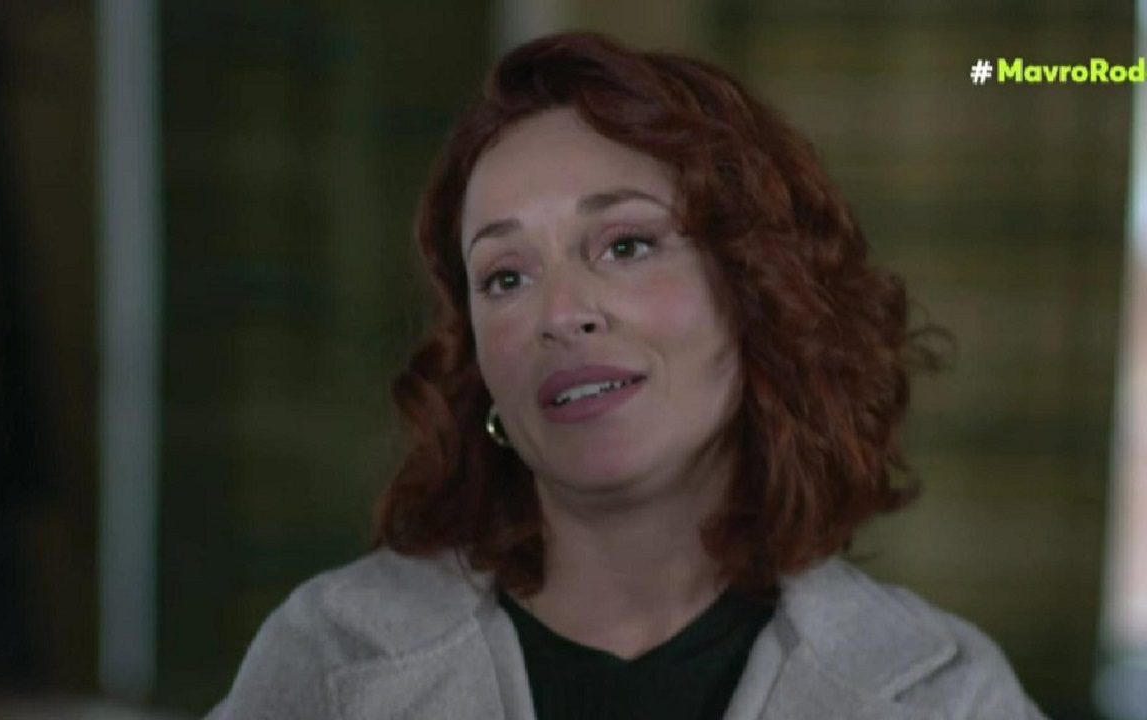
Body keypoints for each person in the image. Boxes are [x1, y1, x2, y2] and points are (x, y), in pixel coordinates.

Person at [209, 32, 1047, 719]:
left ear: (758, 290)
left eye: (627, 245)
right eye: (506, 275)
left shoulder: (945, 694)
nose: (560, 313)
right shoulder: (329, 658)